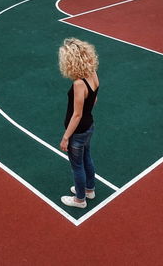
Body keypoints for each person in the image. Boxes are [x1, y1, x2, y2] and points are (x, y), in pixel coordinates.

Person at [58, 37, 100, 209]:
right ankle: (90, 190)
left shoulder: (78, 84)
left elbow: (76, 115)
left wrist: (66, 138)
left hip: (78, 132)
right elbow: (94, 99)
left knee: (77, 166)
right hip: (89, 126)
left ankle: (80, 200)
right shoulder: (93, 73)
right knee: (87, 157)